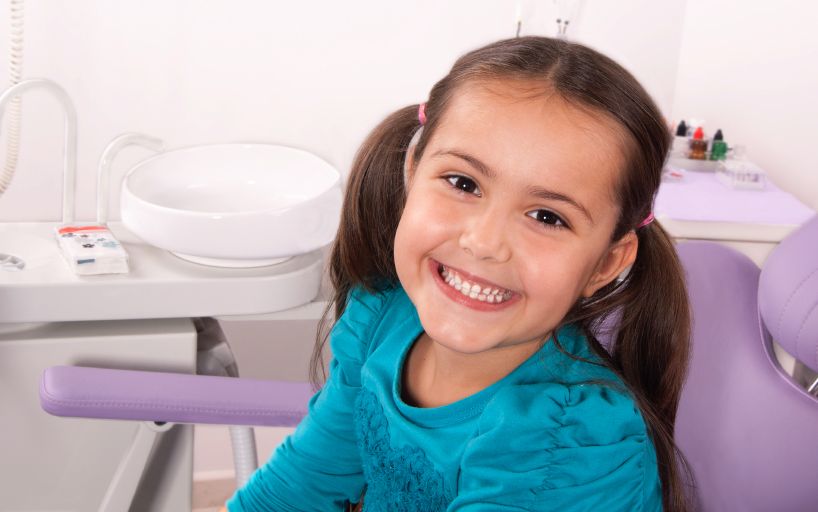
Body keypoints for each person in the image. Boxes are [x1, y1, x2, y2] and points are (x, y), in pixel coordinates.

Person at [222, 37, 692, 512]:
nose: (484, 242)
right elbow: (297, 487)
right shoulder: (380, 317)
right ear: (413, 169)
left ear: (607, 263)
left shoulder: (563, 442)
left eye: (547, 217)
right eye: (463, 183)